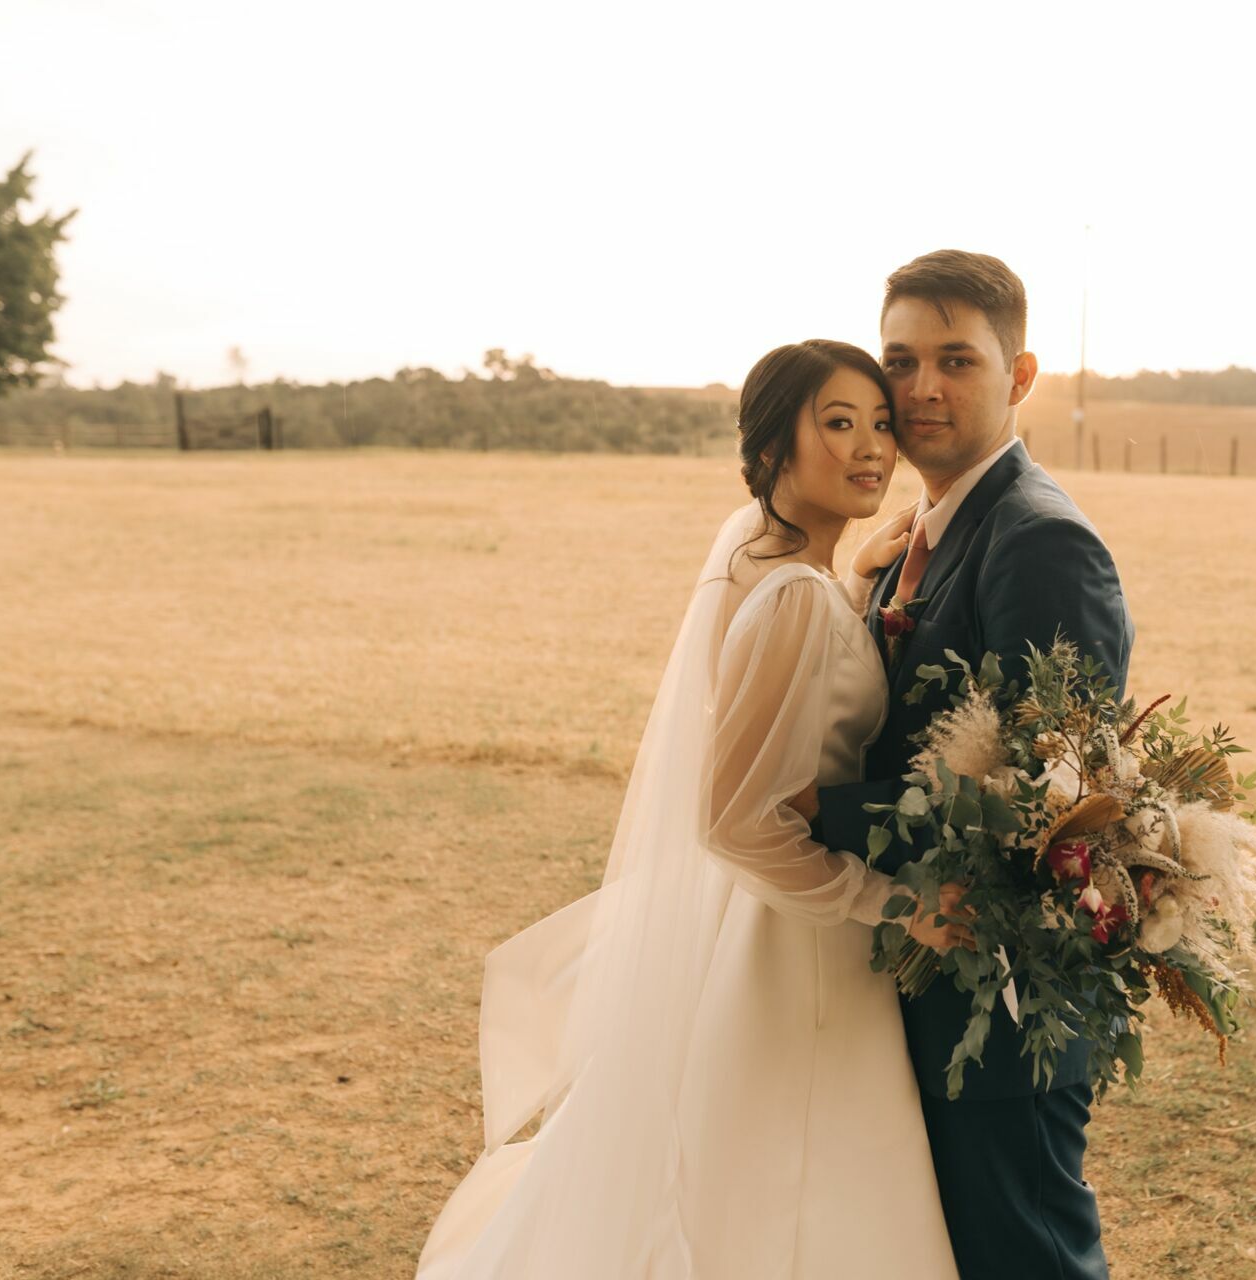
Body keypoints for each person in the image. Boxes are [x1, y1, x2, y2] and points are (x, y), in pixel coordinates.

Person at [416, 339, 966, 1279]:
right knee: (809, 1178)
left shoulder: (749, 545)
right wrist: (894, 903)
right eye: (837, 424)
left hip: (743, 924)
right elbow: (737, 820)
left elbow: (785, 654)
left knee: (736, 1170)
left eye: (879, 423)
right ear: (770, 451)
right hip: (802, 942)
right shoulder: (793, 593)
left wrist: (854, 579)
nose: (872, 447)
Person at [800, 250, 1134, 1280]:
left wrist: (814, 808)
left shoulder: (1041, 543)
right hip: (921, 977)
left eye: (958, 359)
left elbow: (1047, 800)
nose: (923, 388)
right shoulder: (924, 534)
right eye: (900, 360)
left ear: (1021, 376)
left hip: (1001, 1014)